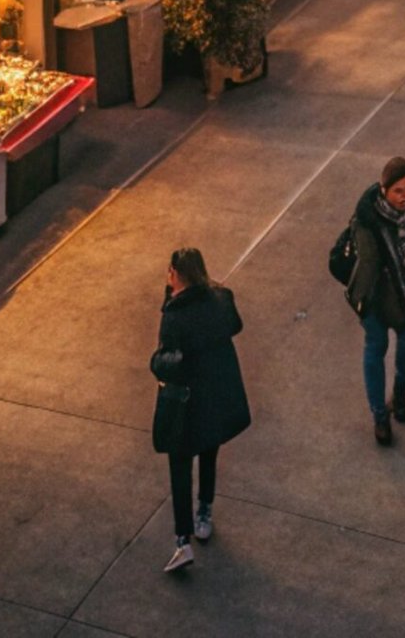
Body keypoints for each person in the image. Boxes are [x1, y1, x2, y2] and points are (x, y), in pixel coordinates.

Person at [154, 245, 251, 575]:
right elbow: (234, 326)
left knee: (180, 466)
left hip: (186, 402)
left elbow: (169, 362)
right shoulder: (221, 300)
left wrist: (157, 362)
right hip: (217, 398)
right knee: (209, 451)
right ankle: (204, 512)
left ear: (175, 275)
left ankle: (183, 540)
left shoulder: (175, 316)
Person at [345, 158, 405, 446]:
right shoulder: (367, 219)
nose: (404, 196)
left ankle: (399, 395)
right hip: (373, 295)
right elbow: (369, 264)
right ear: (383, 190)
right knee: (377, 346)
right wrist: (363, 300)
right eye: (398, 190)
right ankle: (380, 416)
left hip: (403, 291)